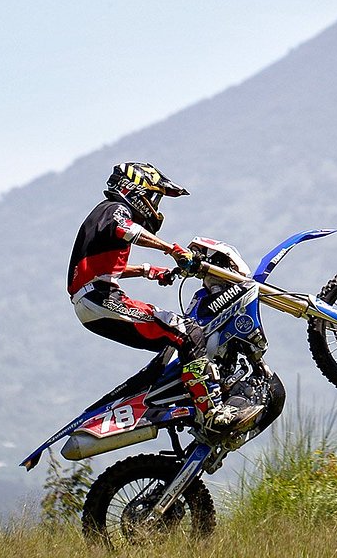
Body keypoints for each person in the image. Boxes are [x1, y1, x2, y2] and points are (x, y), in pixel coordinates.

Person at [67, 161, 261, 438]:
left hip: (93, 300)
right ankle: (212, 411)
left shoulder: (102, 216)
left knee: (175, 339)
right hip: (100, 299)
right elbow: (127, 229)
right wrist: (171, 250)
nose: (155, 204)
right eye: (153, 196)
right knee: (188, 332)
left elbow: (105, 268)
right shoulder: (114, 210)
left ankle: (189, 396)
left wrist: (148, 271)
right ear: (134, 189)